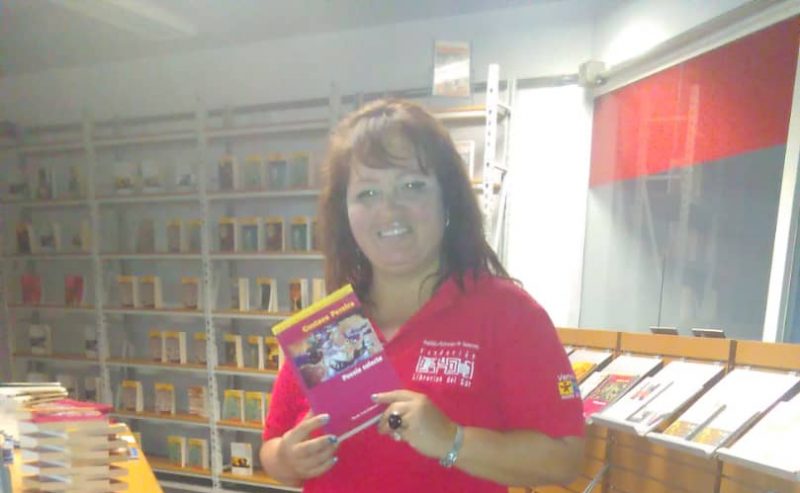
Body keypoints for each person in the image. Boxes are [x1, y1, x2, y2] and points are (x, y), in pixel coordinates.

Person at [259, 99, 584, 492]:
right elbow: (272, 447)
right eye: (367, 193)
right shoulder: (331, 325)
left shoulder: (508, 314)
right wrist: (287, 459)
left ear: (448, 199)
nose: (389, 211)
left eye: (412, 186)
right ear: (344, 212)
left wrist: (452, 440)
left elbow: (564, 459)